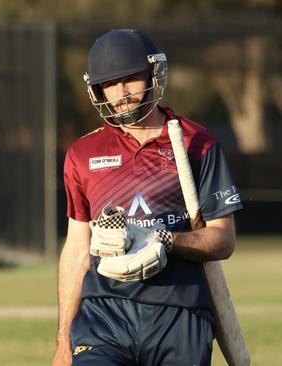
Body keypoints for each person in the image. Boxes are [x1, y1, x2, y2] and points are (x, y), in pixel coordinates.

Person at [51, 29, 243, 366]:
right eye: (110, 83)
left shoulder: (198, 143)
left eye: (130, 79)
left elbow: (223, 240)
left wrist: (165, 239)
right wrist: (64, 338)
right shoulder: (83, 153)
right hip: (103, 318)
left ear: (153, 74)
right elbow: (78, 251)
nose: (121, 93)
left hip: (180, 315)